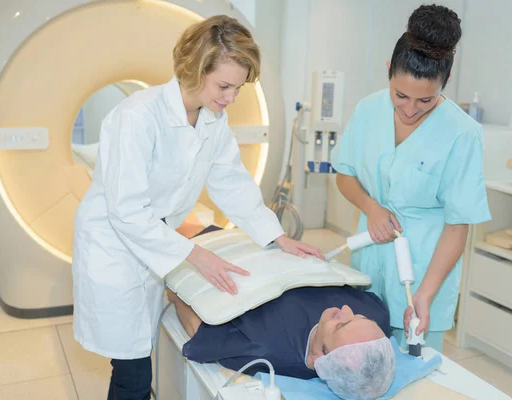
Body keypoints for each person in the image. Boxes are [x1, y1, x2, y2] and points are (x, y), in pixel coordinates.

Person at [71, 15, 323, 400]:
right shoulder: (137, 117)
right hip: (114, 247)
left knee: (138, 354)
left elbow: (232, 183)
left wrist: (277, 237)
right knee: (132, 367)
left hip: (155, 245)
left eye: (237, 88)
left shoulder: (212, 120)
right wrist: (196, 255)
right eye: (224, 86)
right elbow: (127, 213)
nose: (230, 98)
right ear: (194, 68)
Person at [332, 4, 491, 352]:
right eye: (400, 95)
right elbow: (344, 175)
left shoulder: (462, 134)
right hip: (370, 263)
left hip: (424, 274)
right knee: (364, 361)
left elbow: (458, 224)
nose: (409, 109)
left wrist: (426, 293)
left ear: (444, 84)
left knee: (418, 369)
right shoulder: (367, 110)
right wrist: (371, 207)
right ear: (389, 71)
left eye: (426, 100)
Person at [168, 284, 395, 400]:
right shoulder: (378, 318)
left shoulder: (262, 347)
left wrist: (176, 294)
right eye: (359, 317)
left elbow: (200, 331)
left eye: (340, 324)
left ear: (318, 358)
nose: (347, 310)